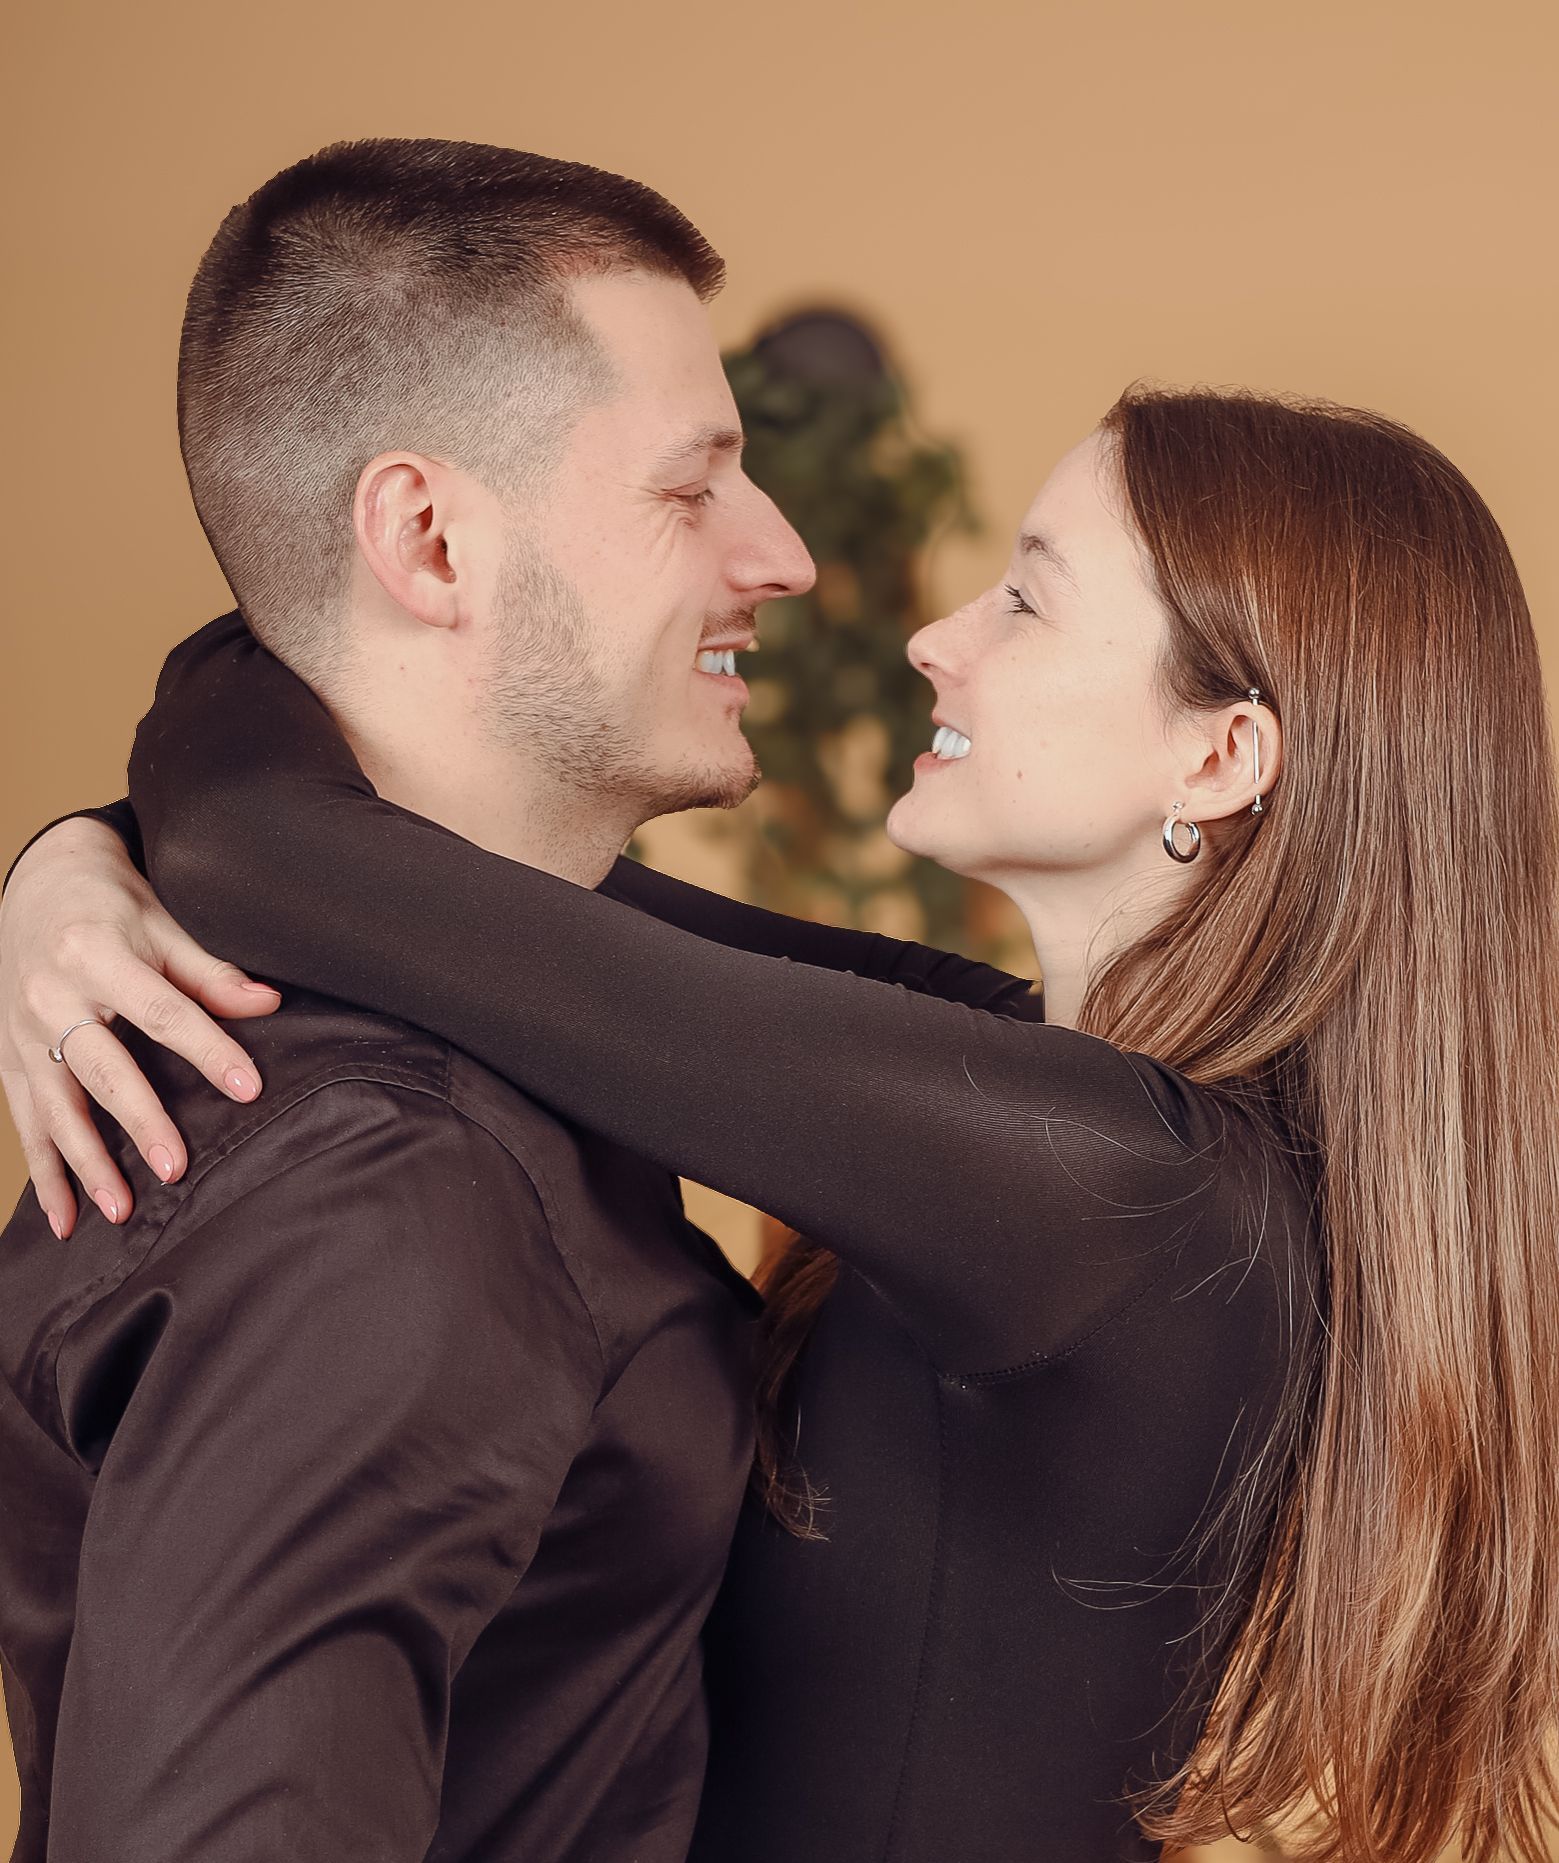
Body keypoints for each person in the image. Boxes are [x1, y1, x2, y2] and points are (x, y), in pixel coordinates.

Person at [11, 383, 1558, 1861]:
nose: (936, 640)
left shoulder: (1118, 1191)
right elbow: (437, 879)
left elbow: (295, 860)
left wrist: (70, 864)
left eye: (1024, 600)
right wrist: (89, 851)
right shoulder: (1057, 1108)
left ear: (1219, 758)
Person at [0, 134, 868, 1863]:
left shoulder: (456, 1035)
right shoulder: (390, 1198)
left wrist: (72, 847)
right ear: (428, 539)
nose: (781, 558)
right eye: (693, 487)